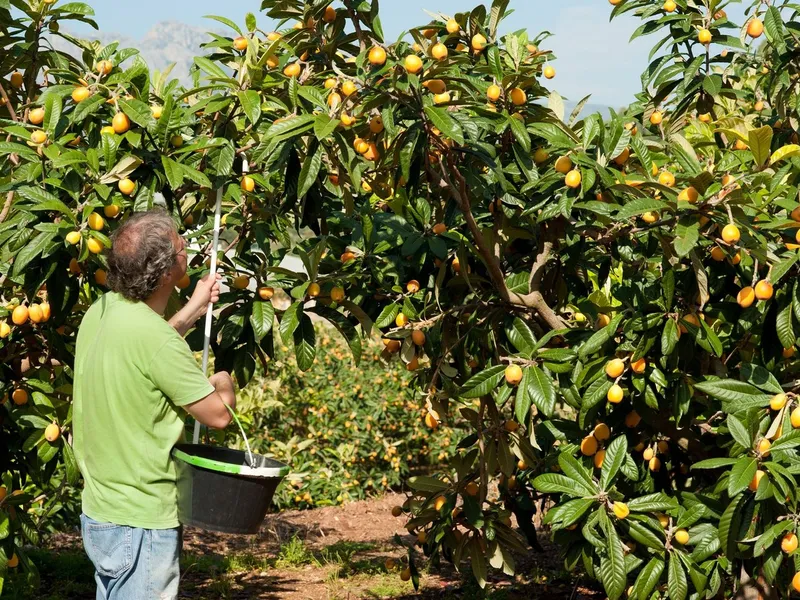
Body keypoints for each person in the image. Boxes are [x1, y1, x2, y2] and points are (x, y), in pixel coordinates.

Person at [73, 209, 236, 600]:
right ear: (166, 272)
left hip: (102, 512)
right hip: (141, 522)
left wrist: (196, 305)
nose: (187, 250)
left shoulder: (103, 310)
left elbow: (148, 345)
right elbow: (218, 416)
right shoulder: (155, 342)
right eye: (182, 246)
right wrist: (224, 382)